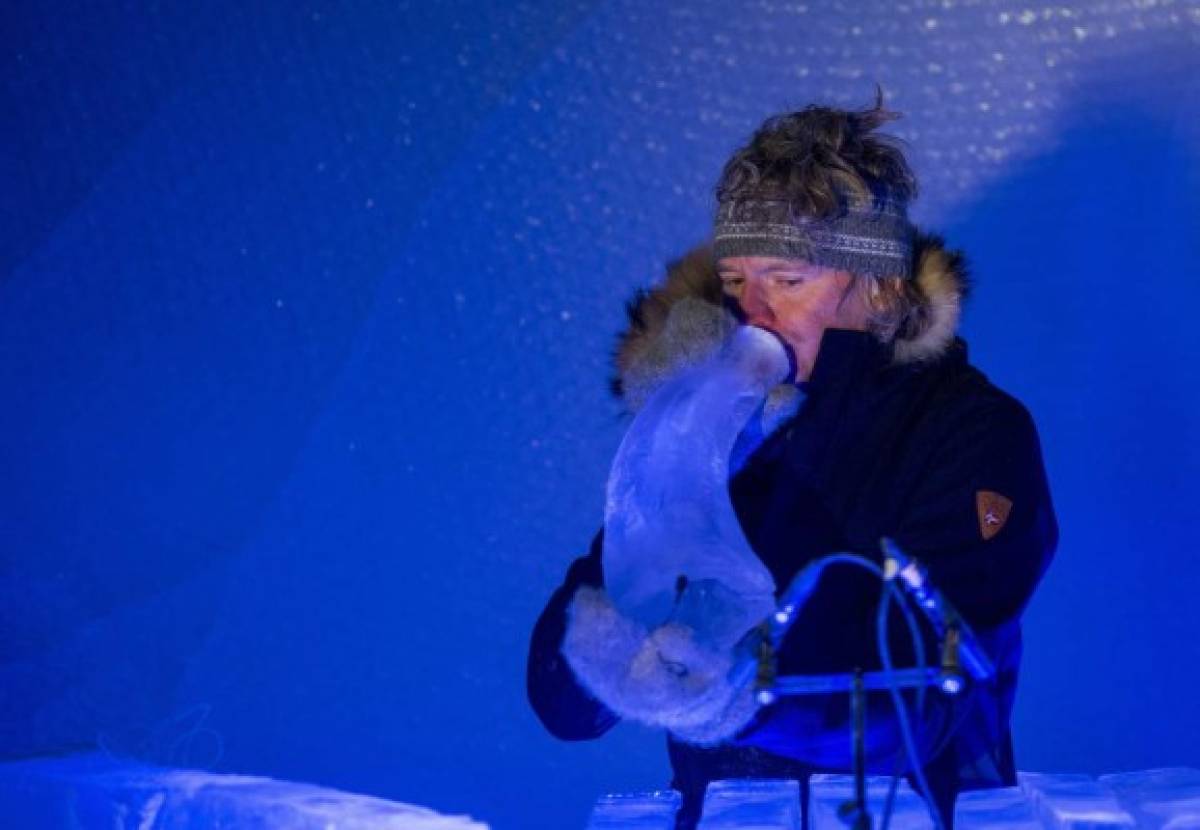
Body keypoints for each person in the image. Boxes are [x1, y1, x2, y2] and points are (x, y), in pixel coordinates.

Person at [526, 94, 1057, 829]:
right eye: (739, 282)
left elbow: (927, 703)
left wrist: (735, 695)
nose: (755, 314)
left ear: (877, 285)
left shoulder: (974, 433)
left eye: (788, 280)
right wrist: (601, 652)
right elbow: (565, 704)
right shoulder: (715, 425)